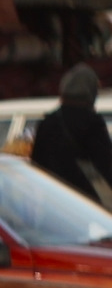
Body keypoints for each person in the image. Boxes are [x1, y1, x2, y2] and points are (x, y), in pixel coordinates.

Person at [29, 63, 112, 206]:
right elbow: (106, 163)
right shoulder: (92, 123)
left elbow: (37, 162)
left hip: (53, 197)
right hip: (83, 198)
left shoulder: (48, 122)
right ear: (91, 92)